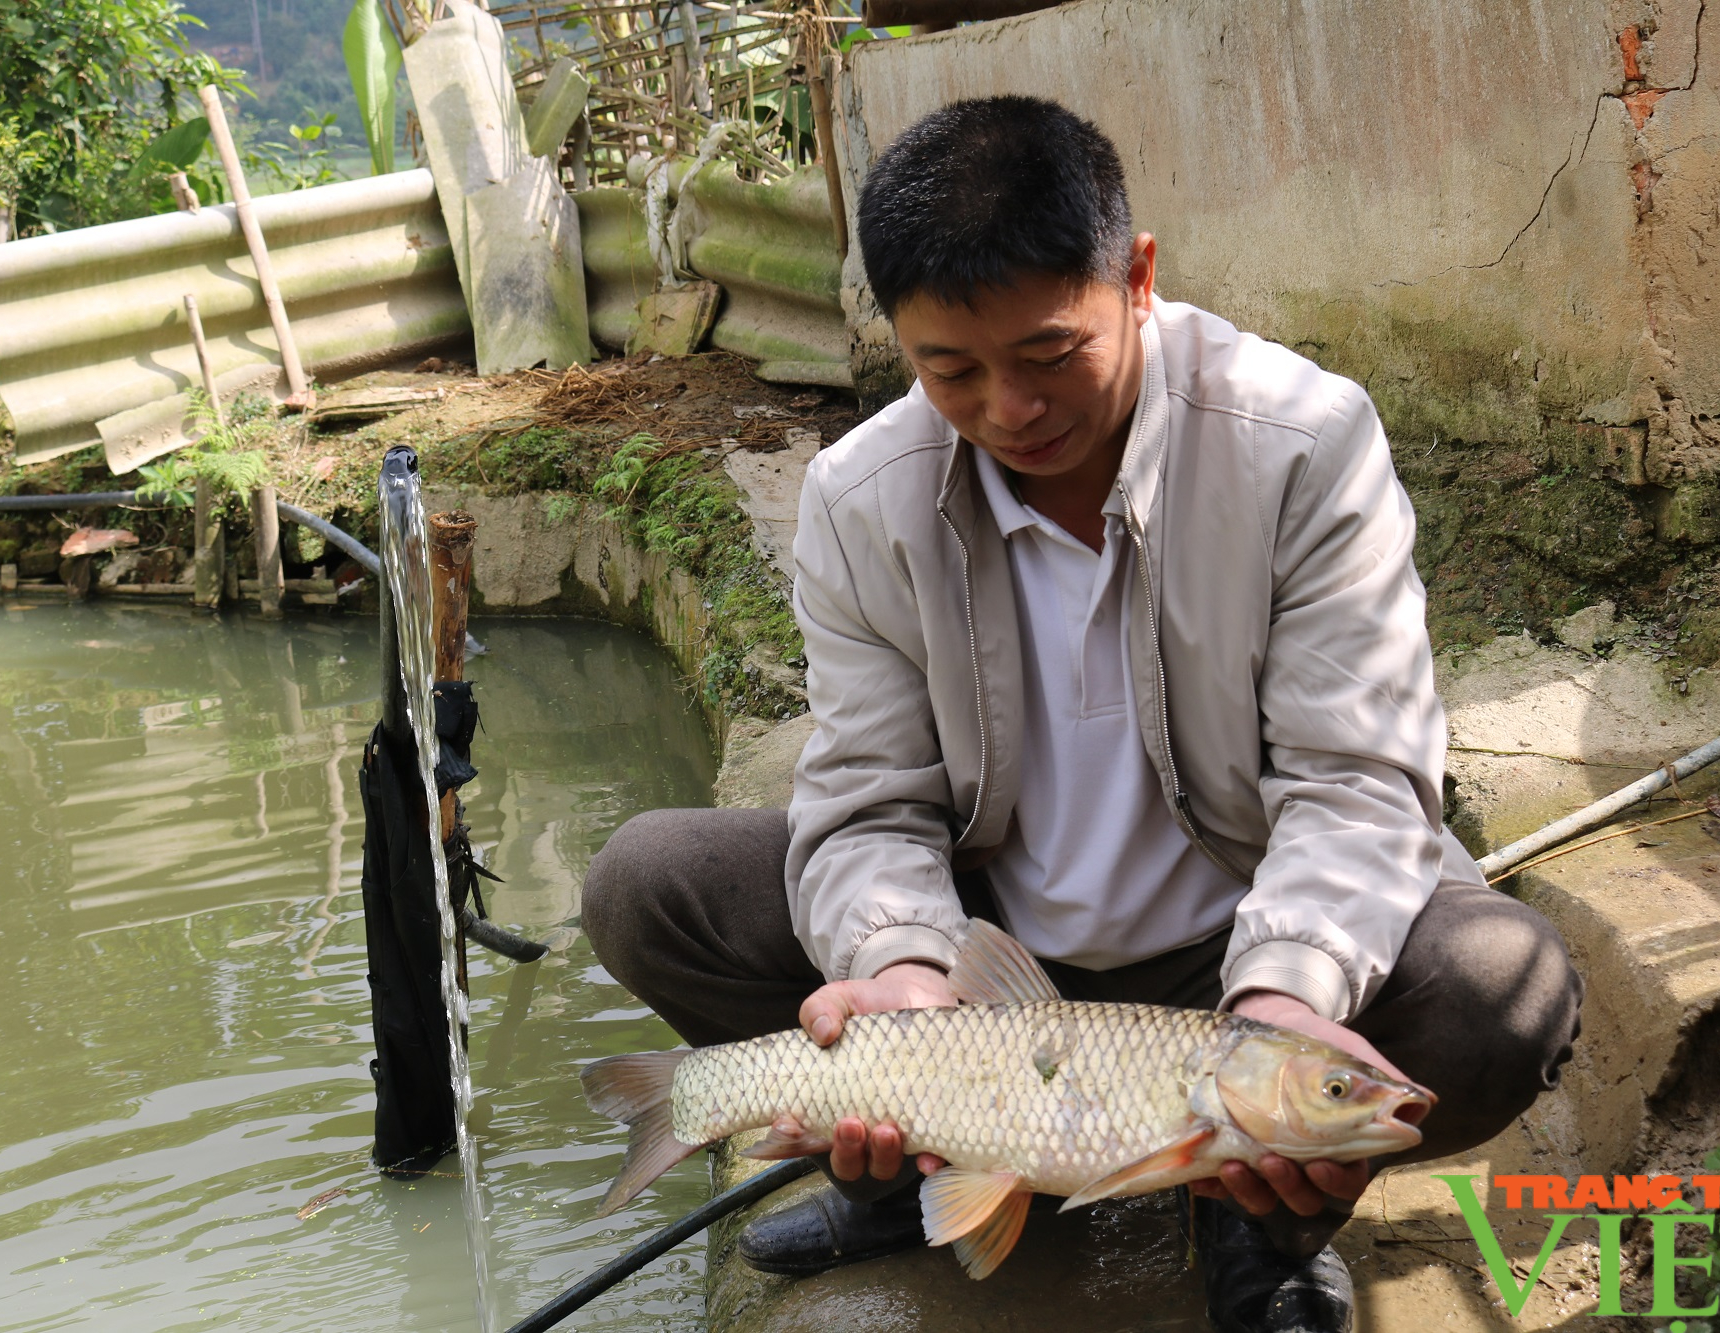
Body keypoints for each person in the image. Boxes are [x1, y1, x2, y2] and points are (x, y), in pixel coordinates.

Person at [582, 95, 1582, 1333]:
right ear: (897, 339)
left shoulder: (1305, 445)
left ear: (1139, 276)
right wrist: (897, 972)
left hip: (1244, 941)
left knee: (1501, 986)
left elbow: (1354, 781)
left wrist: (1280, 1006)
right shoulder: (858, 498)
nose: (1009, 407)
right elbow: (866, 801)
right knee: (649, 882)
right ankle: (920, 1164)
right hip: (988, 963)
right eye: (949, 369)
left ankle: (1258, 1211)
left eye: (1050, 355)